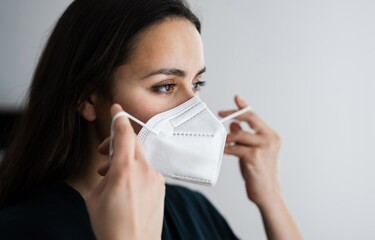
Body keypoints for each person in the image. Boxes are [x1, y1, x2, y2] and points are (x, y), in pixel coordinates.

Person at [0, 0, 302, 239]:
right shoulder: (24, 228)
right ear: (88, 99)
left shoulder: (192, 210)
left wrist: (270, 196)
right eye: (165, 86)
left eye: (197, 84)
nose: (195, 109)